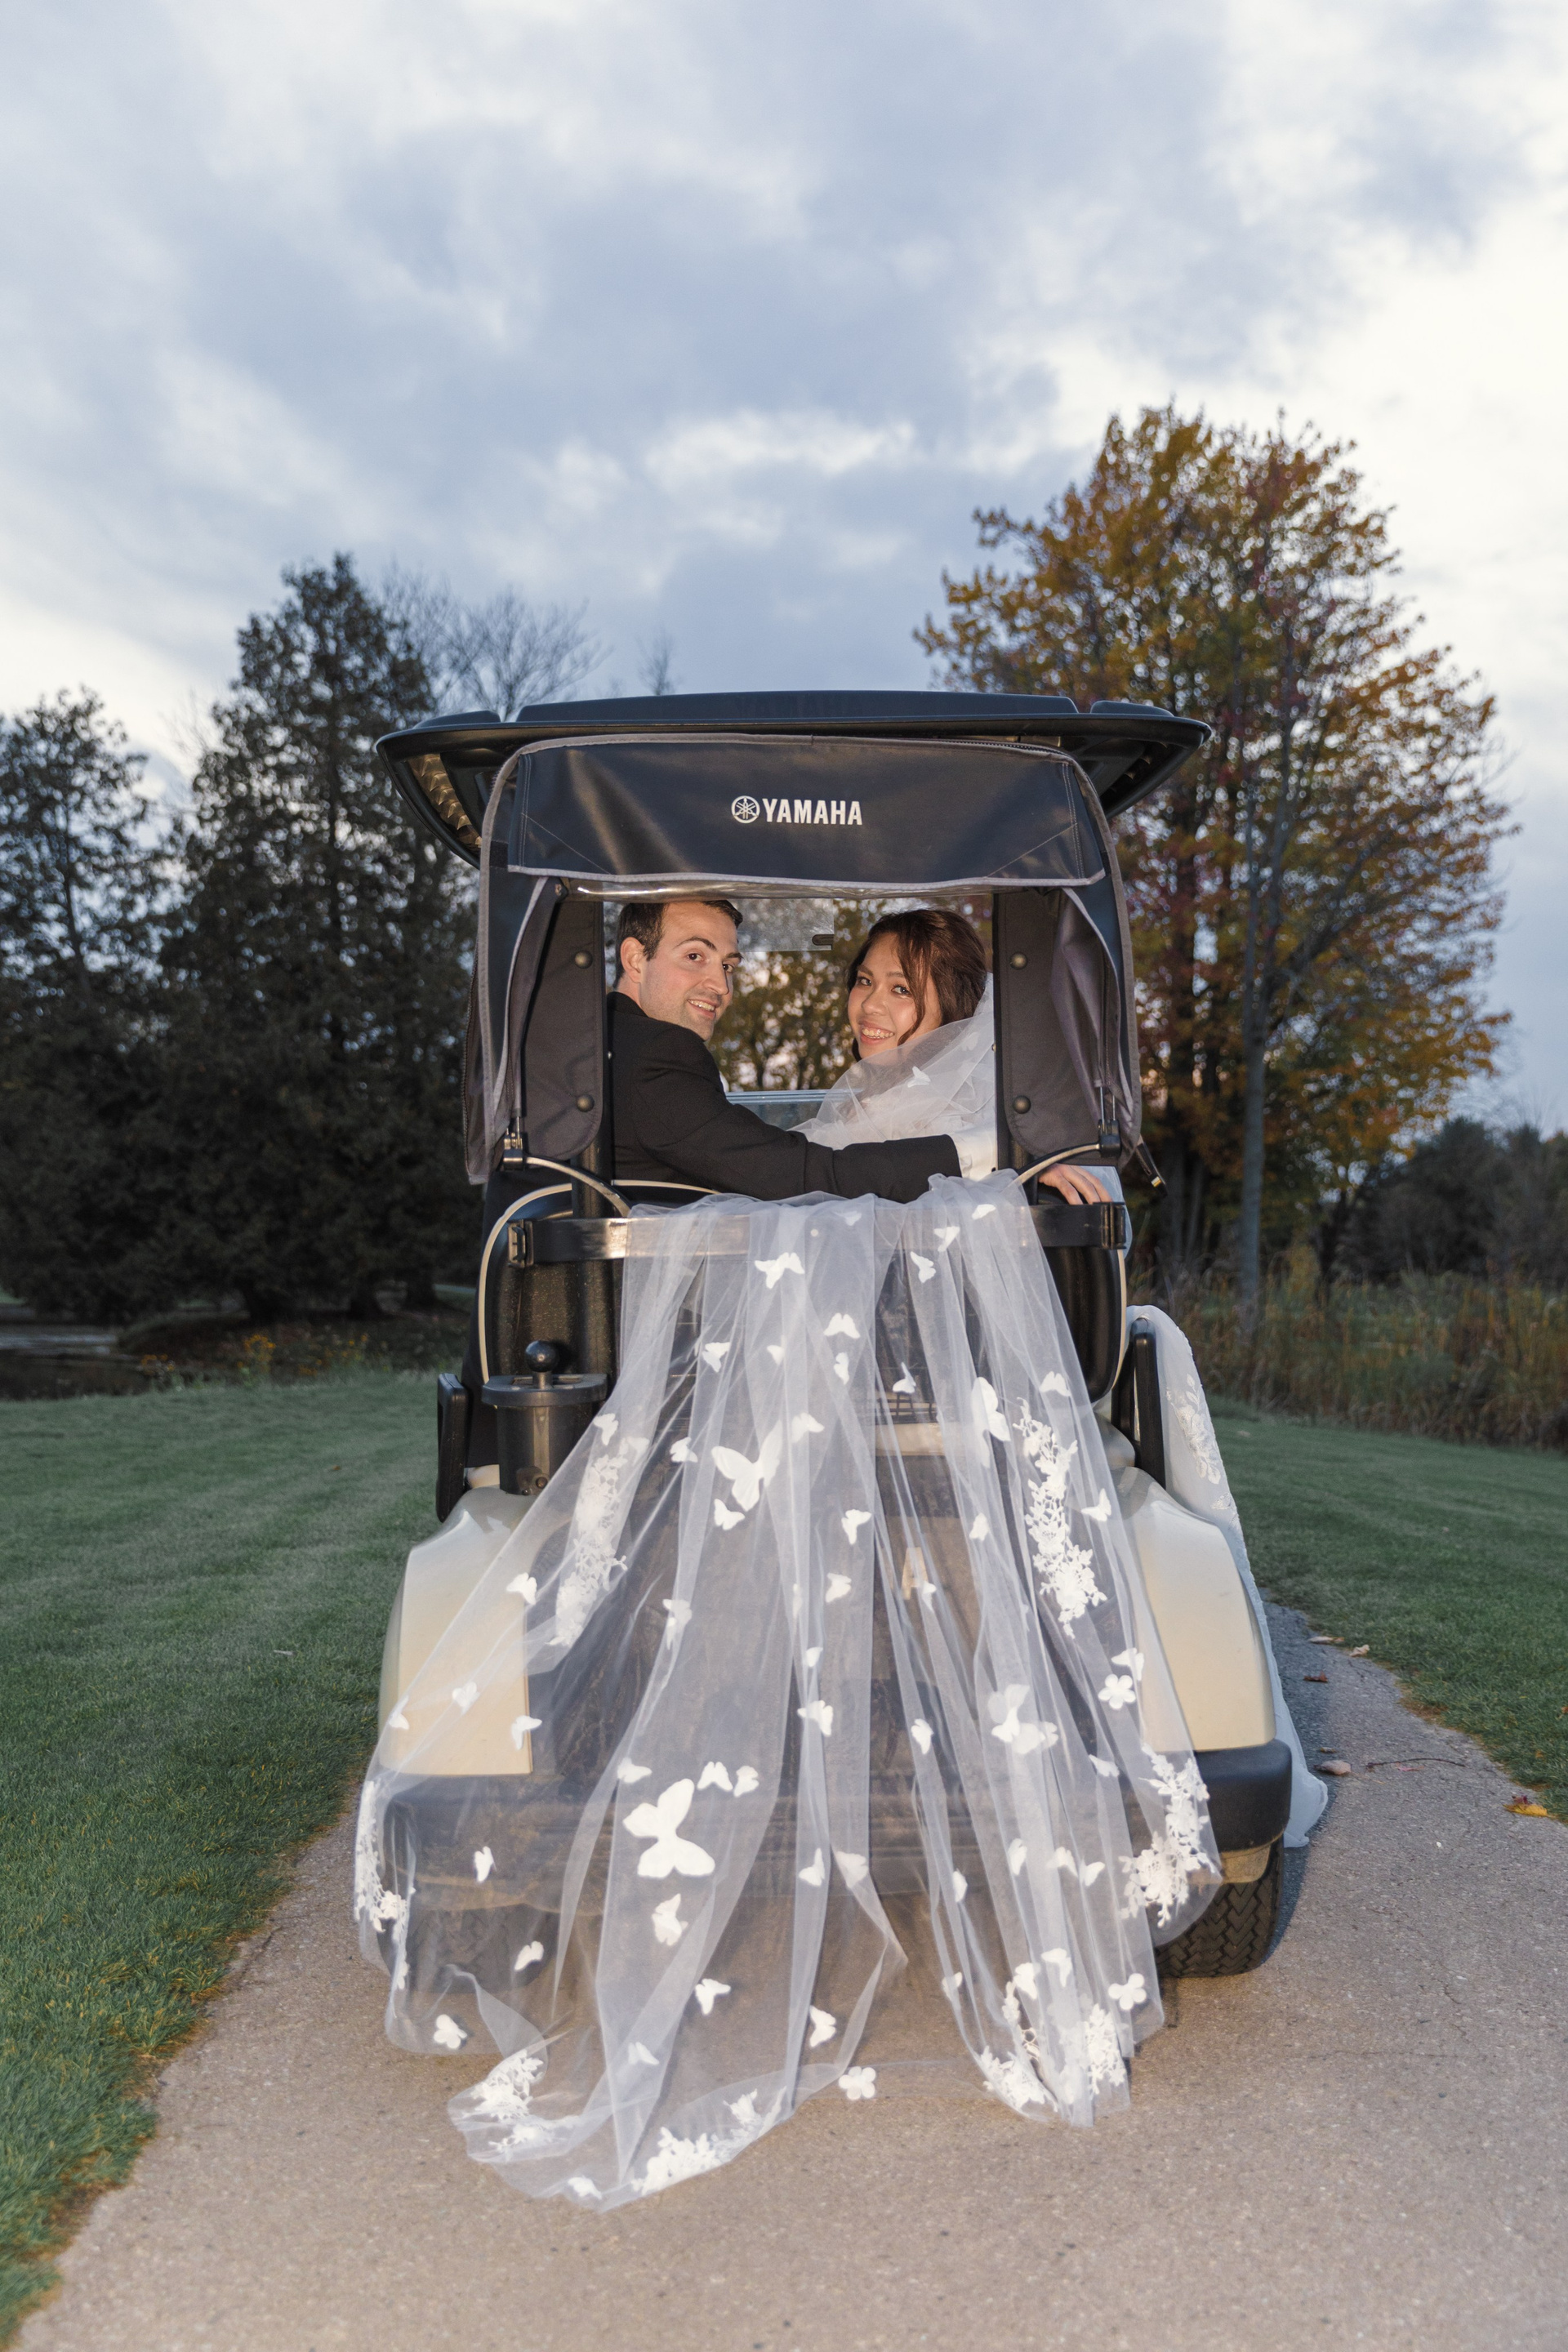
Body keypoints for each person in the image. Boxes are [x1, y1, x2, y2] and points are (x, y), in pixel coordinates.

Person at [608, 898, 960, 1203]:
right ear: (635, 959)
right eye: (695, 956)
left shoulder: (612, 1039)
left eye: (728, 966)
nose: (722, 986)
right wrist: (964, 1154)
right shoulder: (655, 1053)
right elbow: (788, 1175)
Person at [800, 907, 1111, 1207]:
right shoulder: (871, 1103)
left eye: (901, 989)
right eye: (865, 980)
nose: (869, 1005)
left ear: (951, 1007)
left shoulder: (957, 1124)